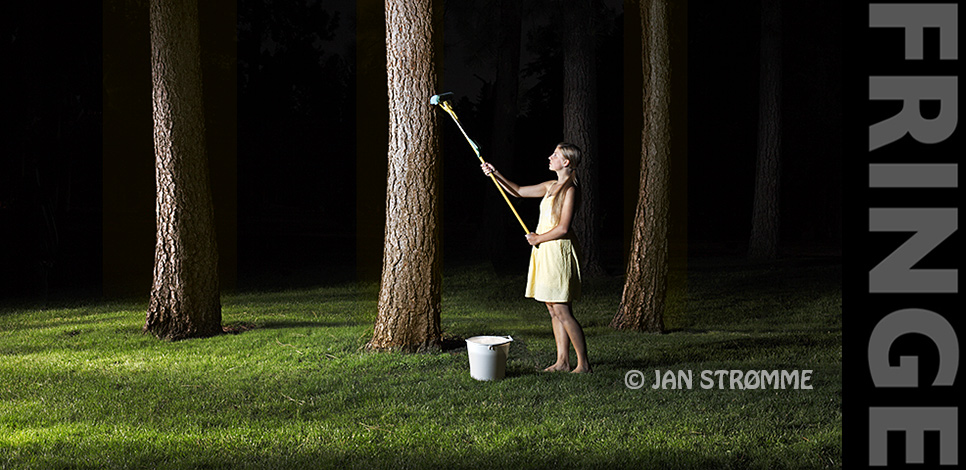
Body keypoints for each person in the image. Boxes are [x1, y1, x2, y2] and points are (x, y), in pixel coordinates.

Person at [481, 143, 591, 373]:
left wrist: (538, 238)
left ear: (566, 162)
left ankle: (583, 364)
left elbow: (563, 228)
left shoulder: (569, 190)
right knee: (552, 309)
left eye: (555, 155)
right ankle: (562, 362)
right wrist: (495, 173)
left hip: (558, 251)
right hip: (544, 251)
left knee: (562, 310)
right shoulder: (551, 186)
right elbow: (518, 191)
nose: (550, 157)